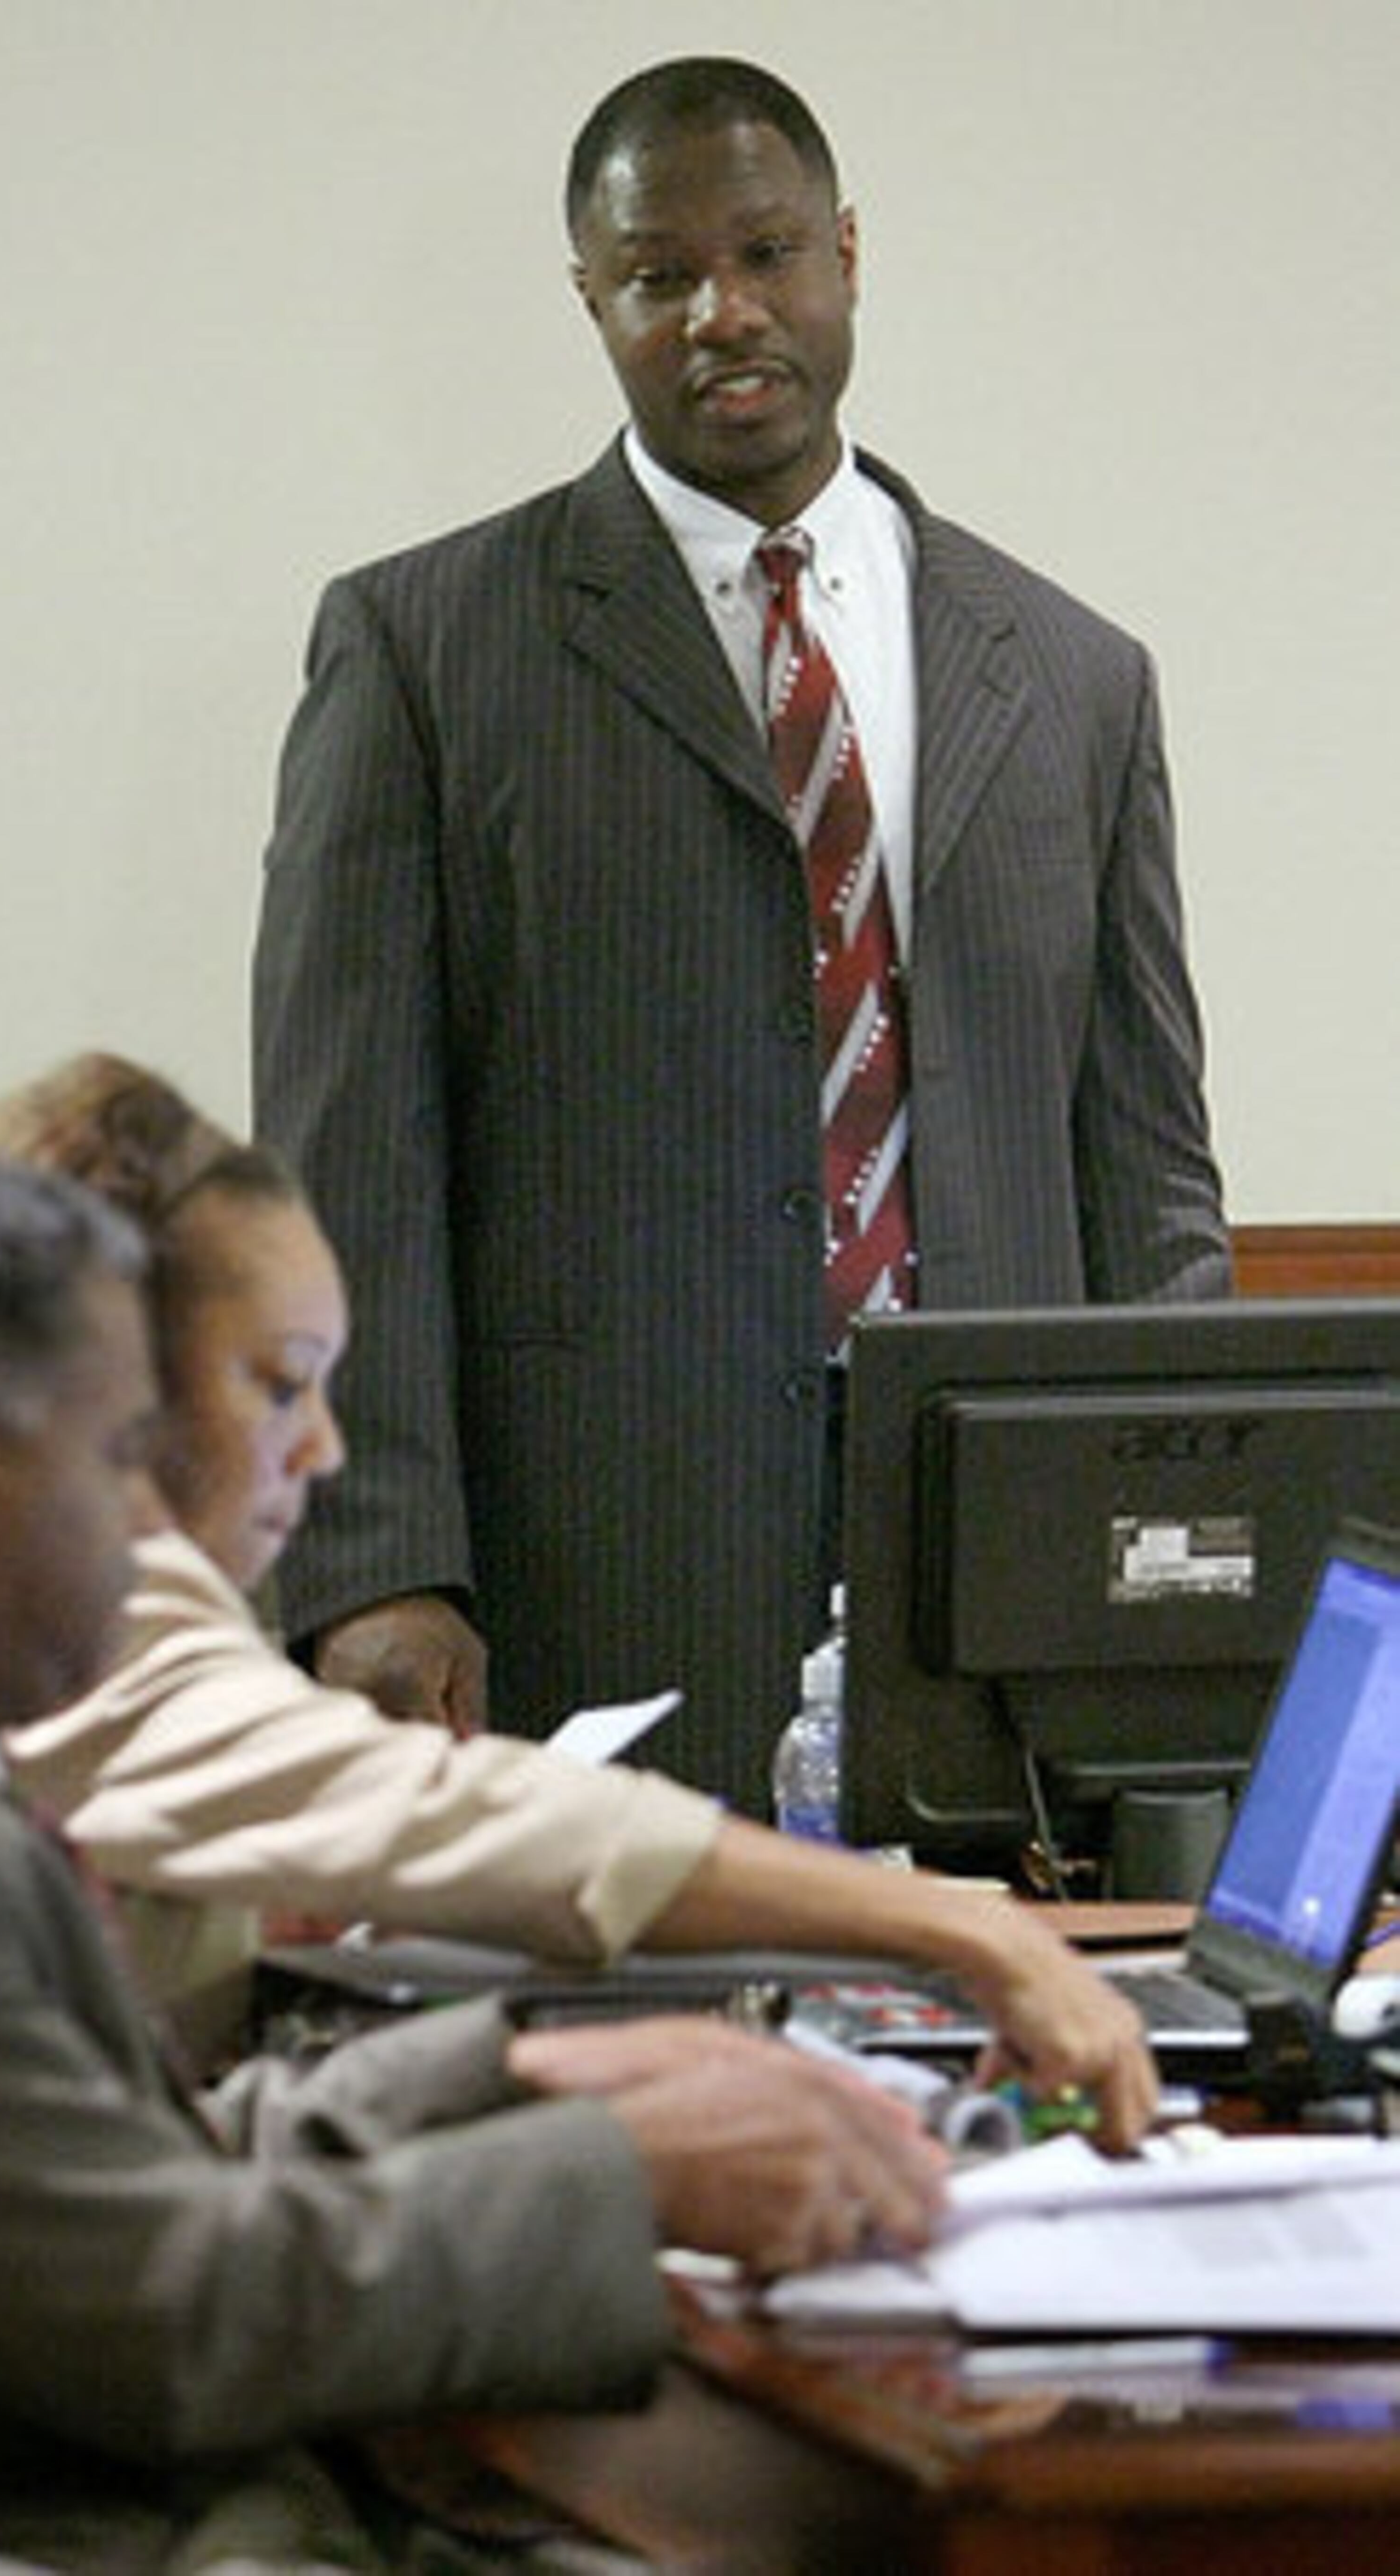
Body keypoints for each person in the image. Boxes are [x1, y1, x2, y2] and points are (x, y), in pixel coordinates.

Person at [0, 1149, 950, 2574]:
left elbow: (83, 2189)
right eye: (122, 1452)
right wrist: (622, 2171)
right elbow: (169, 2319)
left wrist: (517, 2075)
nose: (150, 1525)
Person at [252, 54, 1231, 1813]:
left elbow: (1148, 1169)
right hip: (595, 1576)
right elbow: (344, 1153)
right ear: (593, 303)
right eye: (659, 276)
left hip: (998, 1576)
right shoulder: (424, 649)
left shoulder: (1077, 676)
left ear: (847, 253)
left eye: (770, 252)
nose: (725, 312)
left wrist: (1200, 1534)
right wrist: (376, 1557)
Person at [0, 1050, 1155, 2143]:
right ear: (118, 1388)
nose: (325, 1449)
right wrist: (957, 1928)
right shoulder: (81, 1615)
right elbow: (434, 1811)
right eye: (282, 1387)